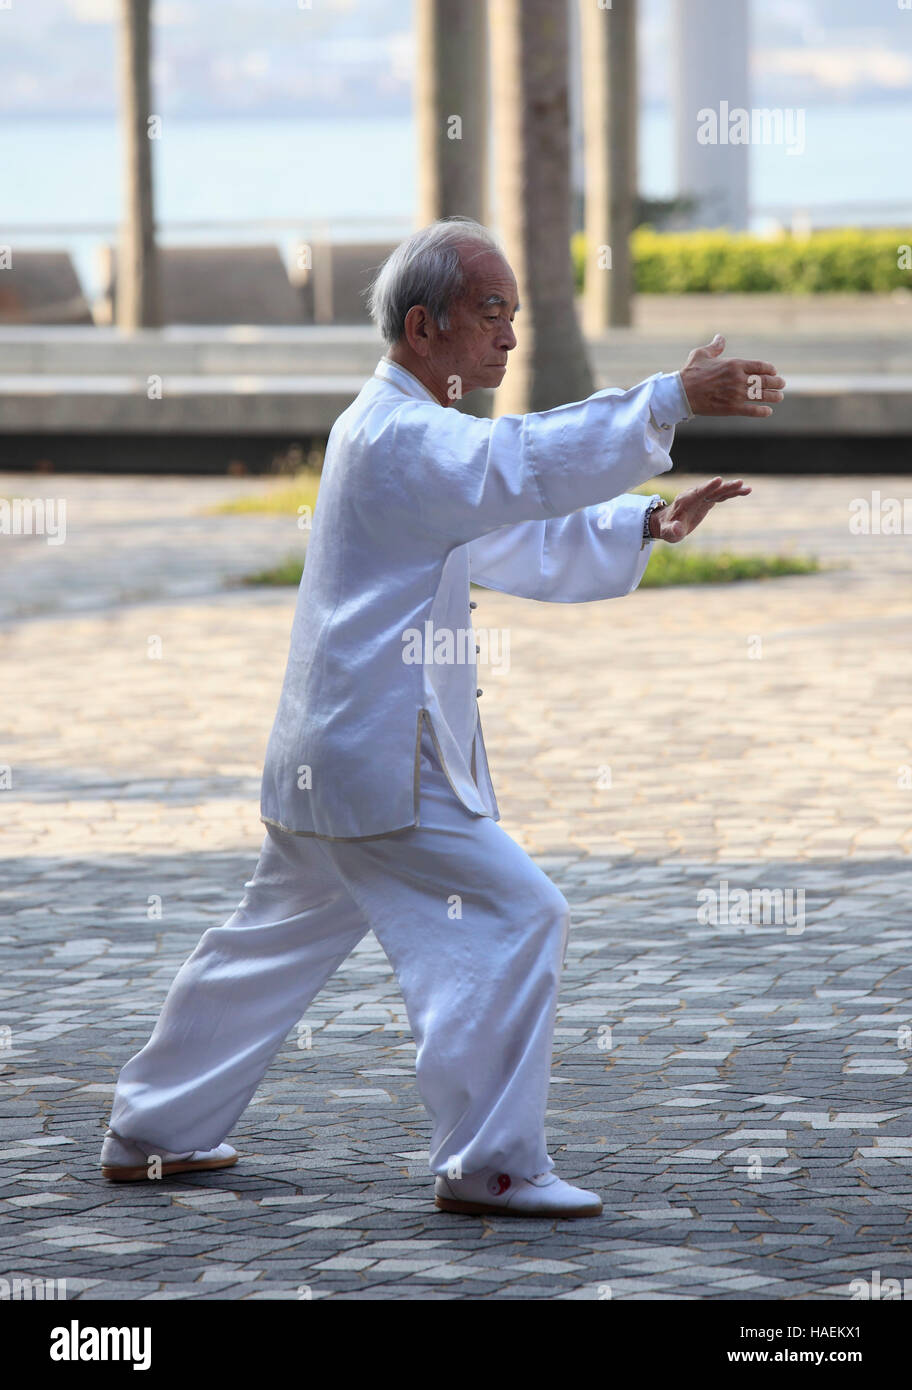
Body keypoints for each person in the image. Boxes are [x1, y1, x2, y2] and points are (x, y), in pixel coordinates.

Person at [100, 218, 784, 1217]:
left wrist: (641, 520)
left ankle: (152, 1128)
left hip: (326, 759)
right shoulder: (405, 434)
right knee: (517, 913)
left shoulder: (389, 431)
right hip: (383, 760)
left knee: (266, 945)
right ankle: (490, 1163)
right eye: (492, 312)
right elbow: (519, 467)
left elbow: (501, 531)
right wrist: (671, 398)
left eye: (516, 313)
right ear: (424, 327)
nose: (509, 336)